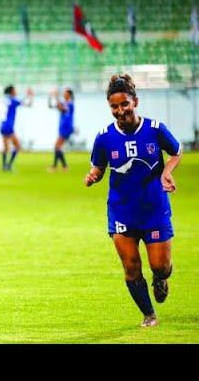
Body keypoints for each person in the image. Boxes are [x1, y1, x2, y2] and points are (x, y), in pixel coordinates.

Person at [84, 74, 182, 328]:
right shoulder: (104, 137)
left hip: (154, 208)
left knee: (160, 266)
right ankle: (149, 314)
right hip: (122, 210)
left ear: (135, 101)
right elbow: (99, 166)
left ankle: (160, 278)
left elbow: (176, 152)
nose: (120, 111)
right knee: (131, 266)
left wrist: (167, 171)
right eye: (114, 107)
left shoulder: (155, 129)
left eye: (124, 104)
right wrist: (94, 175)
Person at [0, 85, 33, 171]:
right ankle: (9, 165)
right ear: (11, 92)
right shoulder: (12, 100)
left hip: (2, 125)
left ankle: (4, 166)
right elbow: (27, 104)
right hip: (8, 126)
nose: (16, 92)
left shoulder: (6, 100)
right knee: (17, 146)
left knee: (6, 147)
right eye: (15, 90)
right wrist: (29, 95)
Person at [47, 87, 75, 172]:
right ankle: (61, 166)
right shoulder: (64, 102)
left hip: (66, 128)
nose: (64, 94)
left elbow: (62, 108)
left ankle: (59, 166)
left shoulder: (70, 104)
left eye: (65, 93)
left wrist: (56, 96)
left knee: (57, 146)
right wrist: (50, 97)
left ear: (69, 95)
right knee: (57, 147)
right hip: (63, 127)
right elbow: (50, 106)